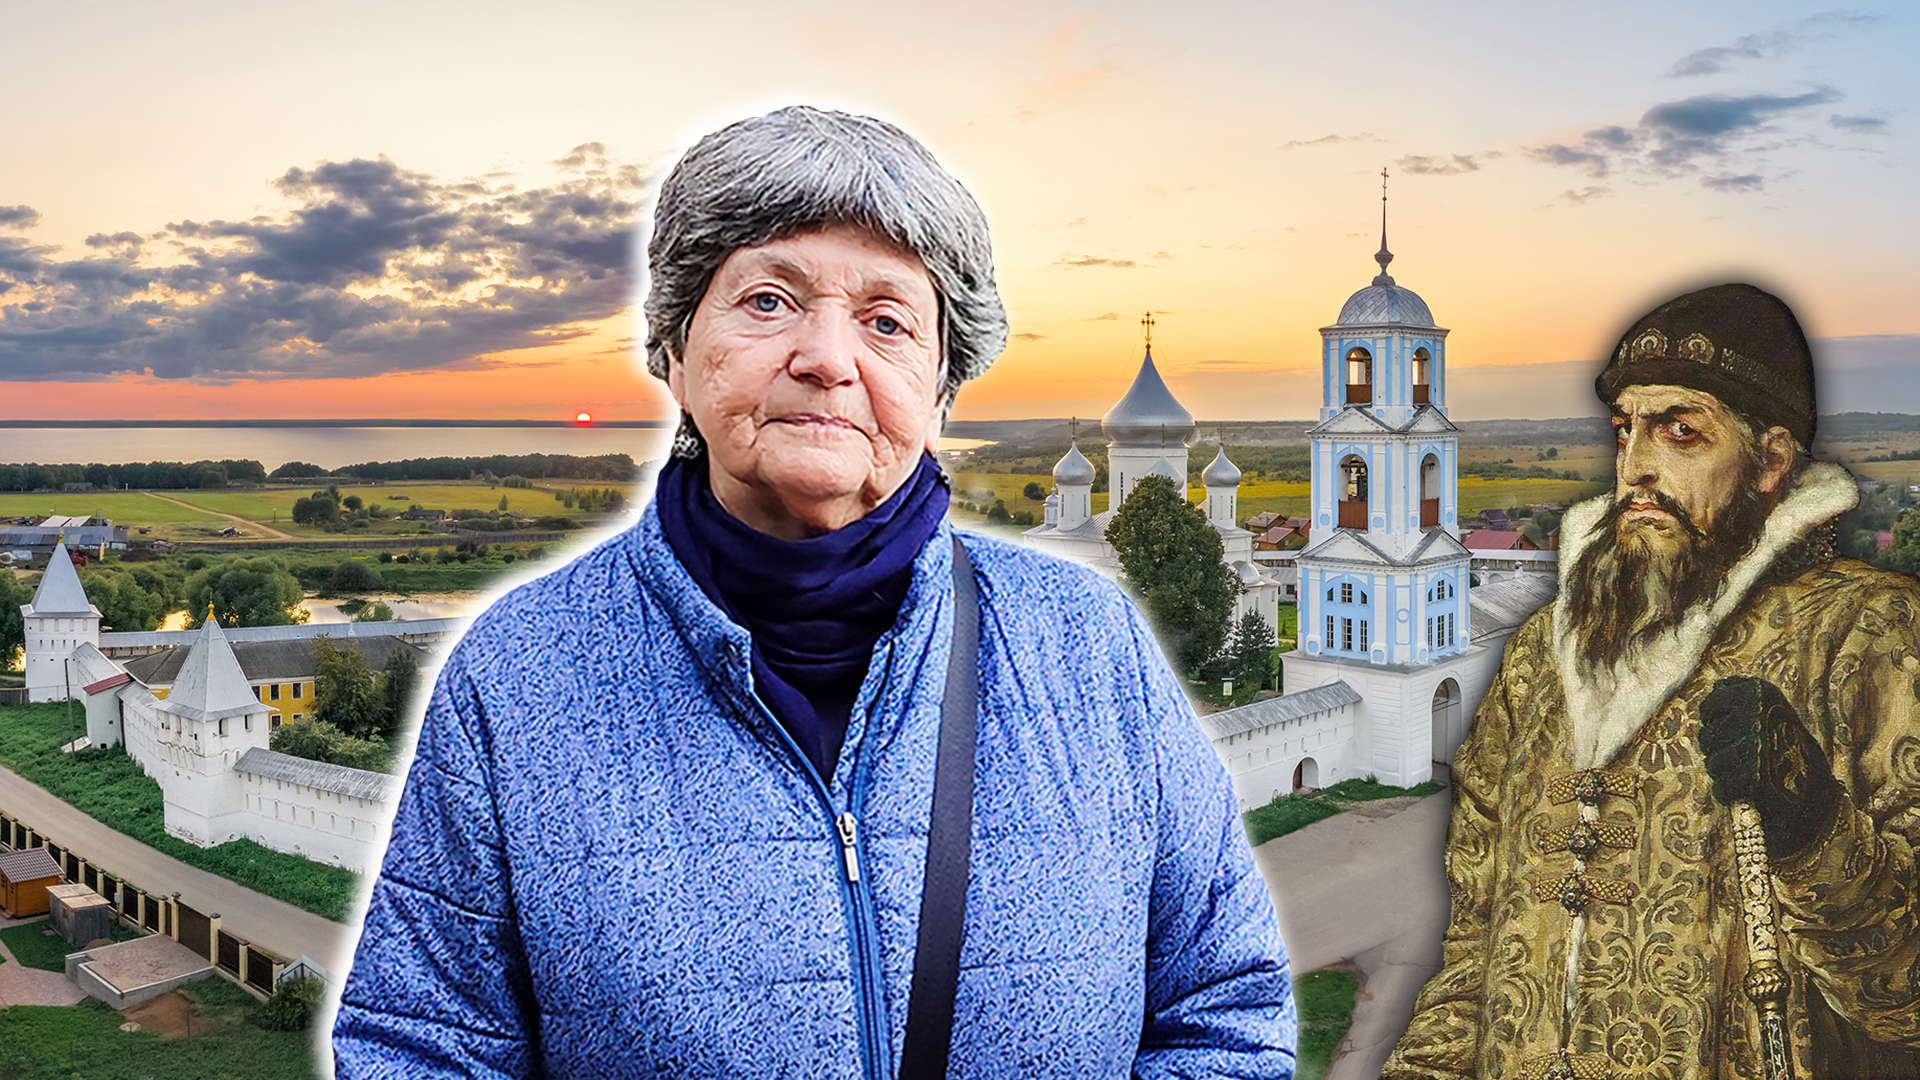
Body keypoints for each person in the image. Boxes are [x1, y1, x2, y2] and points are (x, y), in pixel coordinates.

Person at [331, 106, 1295, 1078]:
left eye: (886, 322)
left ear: (940, 387)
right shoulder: (523, 671)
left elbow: (1225, 1008)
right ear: (674, 346)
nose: (828, 358)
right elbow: (423, 1042)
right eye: (767, 300)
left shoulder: (1085, 645)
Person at [1381, 283, 1920, 1080]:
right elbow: (1473, 953)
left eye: (1680, 433)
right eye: (1625, 430)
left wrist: (1810, 825)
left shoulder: (1870, 635)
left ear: (1770, 461)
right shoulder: (1541, 657)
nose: (1635, 467)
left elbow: (1905, 998)